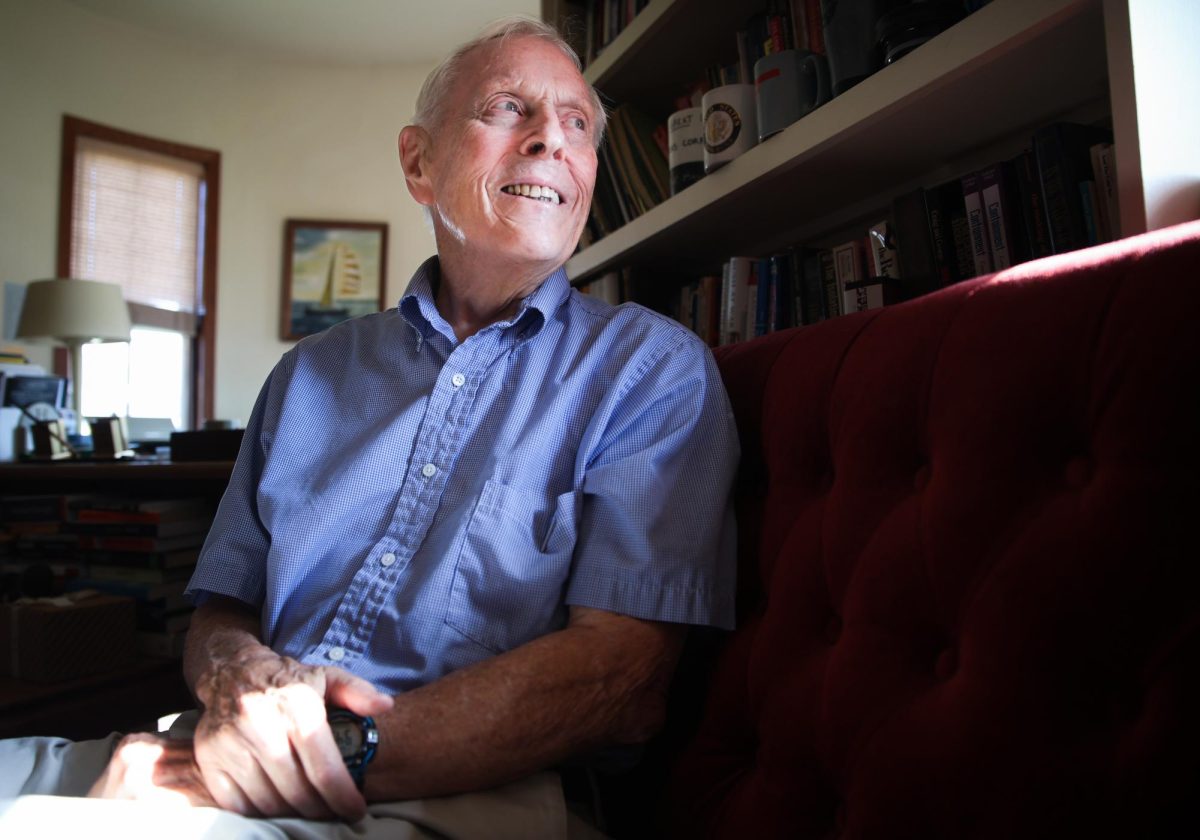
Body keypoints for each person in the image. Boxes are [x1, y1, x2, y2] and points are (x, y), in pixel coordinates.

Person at [0, 17, 738, 839]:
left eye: (577, 124)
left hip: (457, 795)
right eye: (507, 108)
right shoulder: (306, 375)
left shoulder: (650, 370)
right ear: (418, 162)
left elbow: (622, 681)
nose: (549, 142)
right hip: (225, 746)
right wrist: (235, 676)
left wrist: (288, 762)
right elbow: (221, 611)